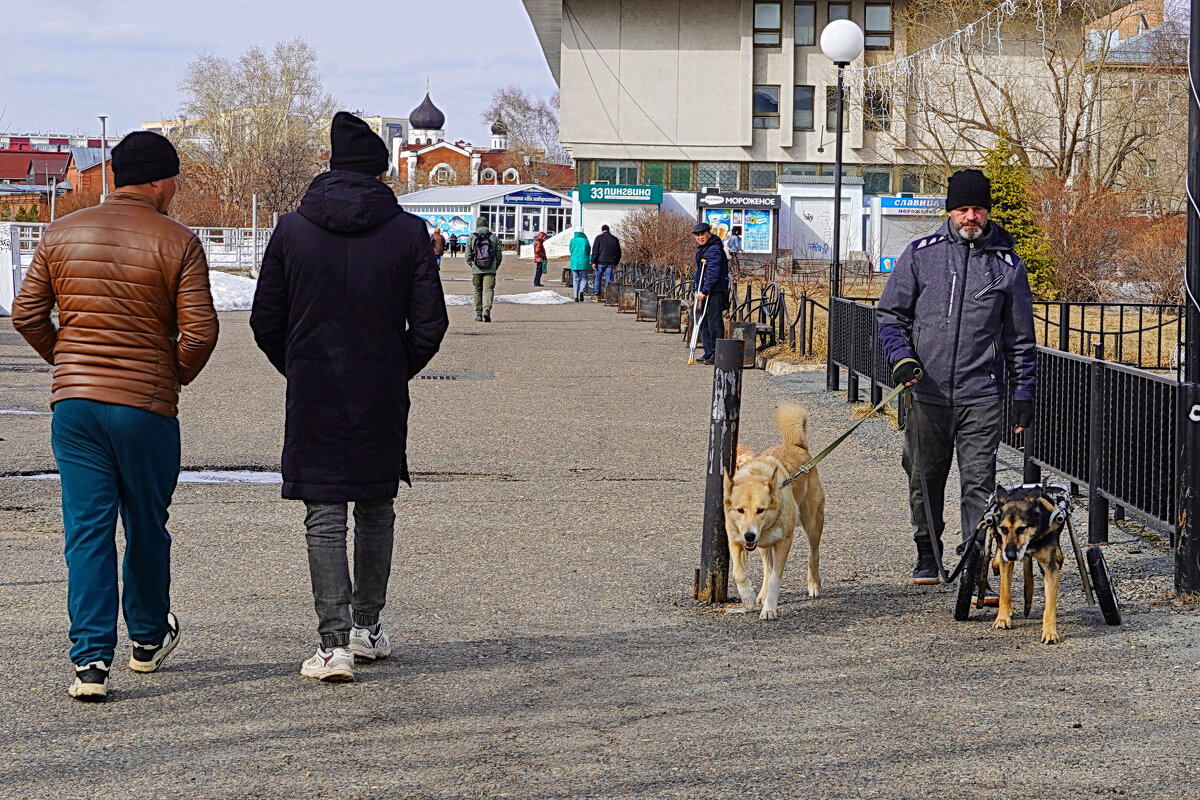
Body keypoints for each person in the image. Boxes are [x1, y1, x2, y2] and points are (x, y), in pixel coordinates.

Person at [11, 131, 219, 701]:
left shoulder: (60, 232)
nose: (176, 188)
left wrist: (70, 364)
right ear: (155, 180)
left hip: (74, 409)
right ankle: (147, 641)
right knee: (146, 525)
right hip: (144, 409)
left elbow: (26, 314)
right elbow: (201, 331)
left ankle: (90, 664)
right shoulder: (179, 242)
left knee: (86, 530)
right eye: (173, 178)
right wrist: (171, 374)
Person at [250, 112, 449, 682]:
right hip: (380, 392)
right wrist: (392, 369)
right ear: (379, 171)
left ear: (332, 165)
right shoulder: (408, 232)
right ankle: (367, 629)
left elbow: (266, 319)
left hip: (314, 389)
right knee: (376, 506)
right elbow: (430, 325)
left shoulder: (292, 229)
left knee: (324, 512)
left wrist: (298, 367)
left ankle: (332, 644)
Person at [875, 168, 1037, 587]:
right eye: (963, 209)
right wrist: (902, 359)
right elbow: (890, 316)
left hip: (981, 395)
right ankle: (928, 554)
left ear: (987, 213)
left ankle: (975, 569)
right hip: (925, 393)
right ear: (949, 212)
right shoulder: (920, 254)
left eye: (978, 209)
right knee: (923, 479)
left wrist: (1023, 394)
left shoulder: (1008, 267)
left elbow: (1021, 339)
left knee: (979, 488)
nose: (970, 217)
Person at [691, 222, 730, 365]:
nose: (700, 237)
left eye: (703, 234)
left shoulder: (713, 250)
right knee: (705, 321)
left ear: (709, 233)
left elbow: (713, 273)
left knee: (714, 322)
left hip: (715, 290)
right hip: (707, 290)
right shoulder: (704, 248)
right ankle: (708, 352)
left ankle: (715, 353)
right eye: (698, 235)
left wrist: (705, 290)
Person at [466, 218, 503, 322]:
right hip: (490, 268)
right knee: (488, 290)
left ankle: (478, 314)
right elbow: (499, 254)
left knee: (477, 290)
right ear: (487, 225)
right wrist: (495, 266)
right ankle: (487, 310)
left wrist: (472, 265)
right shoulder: (493, 237)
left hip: (476, 268)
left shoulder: (472, 237)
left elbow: (467, 255)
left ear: (477, 225)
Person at [590, 224, 621, 302]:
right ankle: (608, 297)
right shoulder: (614, 239)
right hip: (610, 263)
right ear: (608, 230)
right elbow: (618, 253)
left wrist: (593, 261)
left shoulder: (598, 238)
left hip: (600, 262)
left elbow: (595, 251)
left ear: (602, 230)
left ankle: (596, 296)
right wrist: (616, 263)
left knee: (598, 279)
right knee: (609, 280)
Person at [569, 229, 591, 301]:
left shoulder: (572, 240)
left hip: (574, 261)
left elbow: (571, 250)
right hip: (584, 261)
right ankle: (581, 291)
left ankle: (575, 296)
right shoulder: (585, 240)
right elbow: (588, 250)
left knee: (575, 279)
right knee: (584, 278)